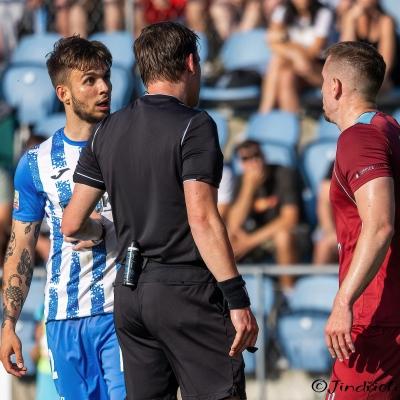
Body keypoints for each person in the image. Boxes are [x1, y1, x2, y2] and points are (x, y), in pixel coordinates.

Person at [62, 21, 258, 400]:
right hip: (185, 291)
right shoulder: (194, 125)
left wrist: (102, 230)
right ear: (190, 63)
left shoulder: (106, 129)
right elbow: (202, 218)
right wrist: (237, 298)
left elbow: (72, 223)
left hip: (131, 293)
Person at [0, 35, 126, 400]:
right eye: (90, 80)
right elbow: (21, 246)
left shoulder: (129, 145)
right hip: (64, 320)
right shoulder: (36, 163)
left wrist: (104, 229)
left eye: (106, 77)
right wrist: (8, 324)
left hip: (122, 314)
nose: (104, 88)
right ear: (63, 94)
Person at [322, 41, 400, 399]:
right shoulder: (390, 128)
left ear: (336, 86)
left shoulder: (359, 138)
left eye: (323, 81)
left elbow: (380, 224)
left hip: (375, 317)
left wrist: (343, 302)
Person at [227, 140, 301, 292]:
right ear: (240, 163)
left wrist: (249, 242)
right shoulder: (242, 180)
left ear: (264, 156)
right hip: (256, 235)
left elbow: (289, 219)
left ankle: (288, 293)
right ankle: (230, 292)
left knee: (282, 237)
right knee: (227, 238)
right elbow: (233, 224)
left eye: (256, 155)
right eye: (246, 158)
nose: (253, 161)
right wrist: (249, 187)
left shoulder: (284, 174)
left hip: (289, 235)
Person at [259, 0, 334, 113]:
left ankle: (265, 111)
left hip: (318, 69)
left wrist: (288, 45)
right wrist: (294, 53)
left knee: (279, 62)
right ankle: (288, 119)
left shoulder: (323, 13)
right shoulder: (283, 10)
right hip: (293, 65)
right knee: (285, 74)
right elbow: (272, 40)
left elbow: (313, 53)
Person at [339, 0, 400, 92]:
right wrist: (351, 21)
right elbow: (346, 55)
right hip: (361, 75)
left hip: (386, 76)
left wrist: (371, 80)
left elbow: (386, 63)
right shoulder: (350, 17)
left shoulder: (385, 21)